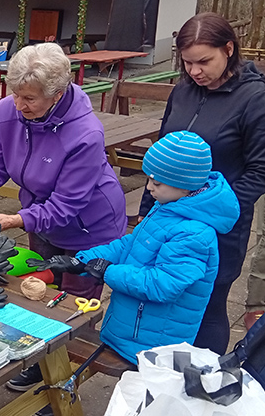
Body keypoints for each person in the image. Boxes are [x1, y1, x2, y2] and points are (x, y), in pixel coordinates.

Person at [0, 42, 126, 391]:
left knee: (72, 309)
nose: (19, 106)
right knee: (36, 292)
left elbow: (66, 206)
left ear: (56, 94)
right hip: (40, 218)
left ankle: (64, 385)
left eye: (30, 99)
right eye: (16, 94)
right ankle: (39, 364)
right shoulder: (10, 110)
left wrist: (14, 220)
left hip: (89, 229)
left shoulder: (85, 133)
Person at [34, 131, 239, 364]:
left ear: (185, 186)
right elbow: (131, 245)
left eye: (157, 182)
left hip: (155, 345)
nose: (149, 187)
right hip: (133, 330)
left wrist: (108, 271)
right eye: (149, 179)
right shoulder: (169, 206)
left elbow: (163, 284)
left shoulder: (194, 234)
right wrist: (82, 261)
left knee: (146, 395)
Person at [138, 12, 265, 353]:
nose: (195, 72)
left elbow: (259, 171)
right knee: (167, 303)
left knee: (207, 307)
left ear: (229, 48)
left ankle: (204, 388)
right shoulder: (182, 91)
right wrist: (145, 209)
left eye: (204, 62)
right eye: (188, 63)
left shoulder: (255, 98)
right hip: (167, 220)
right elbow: (162, 154)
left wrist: (209, 212)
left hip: (219, 228)